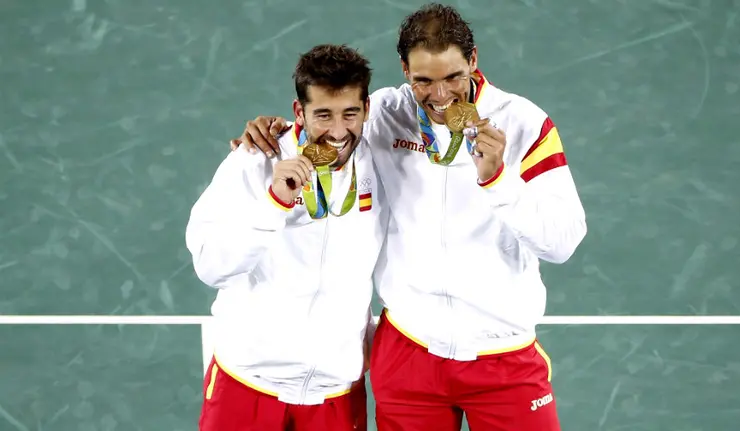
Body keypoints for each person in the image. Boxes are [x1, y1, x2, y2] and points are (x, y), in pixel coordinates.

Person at [230, 3, 587, 430]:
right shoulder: (382, 115)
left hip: (503, 356)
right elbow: (331, 125)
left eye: (453, 76)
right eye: (423, 81)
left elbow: (562, 243)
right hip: (409, 354)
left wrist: (499, 181)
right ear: (403, 69)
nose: (440, 96)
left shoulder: (527, 125)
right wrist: (274, 134)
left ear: (474, 60)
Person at [185, 44, 388, 431]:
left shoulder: (383, 165)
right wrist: (274, 204)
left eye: (350, 114)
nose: (338, 131)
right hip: (247, 385)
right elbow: (211, 266)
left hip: (336, 394)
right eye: (323, 116)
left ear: (366, 109)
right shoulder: (254, 160)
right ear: (300, 112)